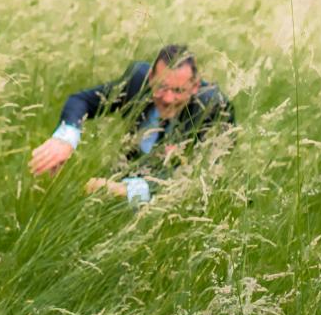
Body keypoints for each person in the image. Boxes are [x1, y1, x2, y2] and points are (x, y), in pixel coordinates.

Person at [29, 44, 233, 203]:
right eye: (161, 87)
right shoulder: (136, 81)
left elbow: (197, 178)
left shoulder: (213, 107)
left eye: (178, 91)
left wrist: (124, 190)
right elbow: (81, 100)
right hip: (128, 167)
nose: (168, 98)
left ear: (195, 86)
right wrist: (65, 139)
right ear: (150, 77)